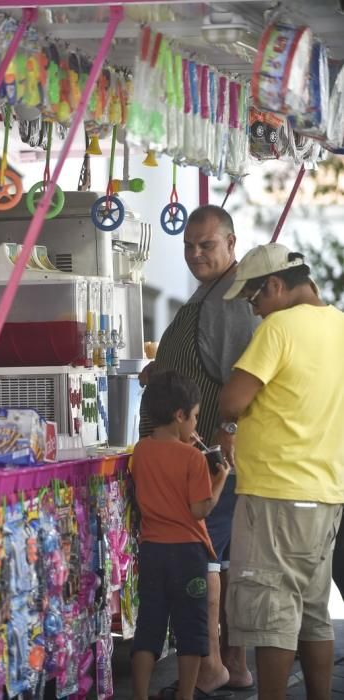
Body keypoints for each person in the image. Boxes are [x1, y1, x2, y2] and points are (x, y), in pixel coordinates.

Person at [139, 204, 258, 694]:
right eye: (188, 245)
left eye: (206, 244)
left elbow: (236, 381)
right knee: (225, 561)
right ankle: (234, 663)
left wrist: (223, 439)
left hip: (208, 456)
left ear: (232, 244)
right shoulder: (209, 292)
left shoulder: (230, 300)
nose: (194, 254)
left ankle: (210, 668)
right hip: (207, 455)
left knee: (203, 561)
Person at [219, 242, 344, 700]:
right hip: (326, 494)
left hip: (276, 494)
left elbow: (232, 399)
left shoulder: (280, 327)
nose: (254, 312)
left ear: (275, 286)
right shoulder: (339, 326)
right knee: (312, 613)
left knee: (272, 614)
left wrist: (228, 426)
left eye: (254, 300)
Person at [131, 370, 230, 700]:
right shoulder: (192, 457)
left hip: (152, 551)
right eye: (195, 417)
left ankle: (140, 695)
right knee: (191, 627)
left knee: (150, 626)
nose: (196, 425)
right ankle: (185, 696)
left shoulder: (140, 451)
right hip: (189, 554)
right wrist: (220, 480)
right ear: (180, 415)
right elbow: (199, 510)